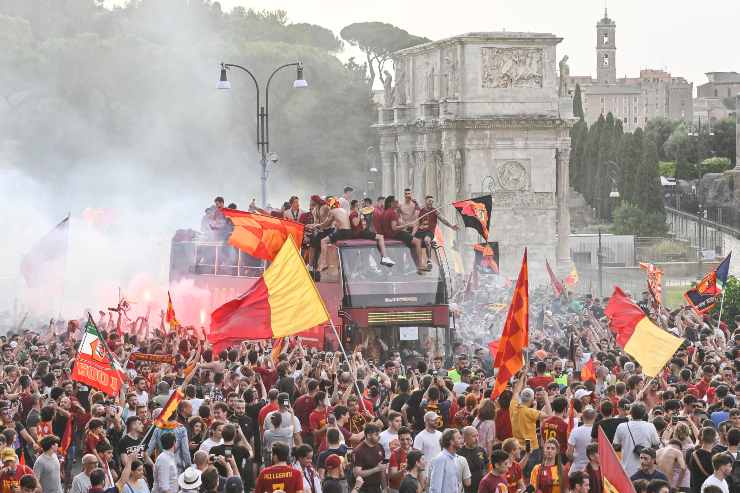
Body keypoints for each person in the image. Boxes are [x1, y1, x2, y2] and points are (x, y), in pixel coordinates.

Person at [612, 403, 660, 477]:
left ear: (630, 413)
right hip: (646, 469)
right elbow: (656, 444)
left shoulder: (622, 426)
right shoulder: (650, 426)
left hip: (627, 469)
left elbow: (615, 445)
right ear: (644, 414)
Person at [414, 195, 458, 270]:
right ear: (425, 201)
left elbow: (443, 219)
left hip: (429, 232)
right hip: (420, 231)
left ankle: (429, 260)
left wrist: (451, 226)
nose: (431, 203)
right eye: (429, 201)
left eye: (432, 201)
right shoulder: (421, 211)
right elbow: (416, 222)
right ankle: (416, 262)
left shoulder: (435, 211)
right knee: (413, 241)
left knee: (426, 240)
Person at [428, 429, 466, 493]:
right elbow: (435, 487)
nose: (462, 441)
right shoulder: (440, 459)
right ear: (451, 441)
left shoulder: (455, 458)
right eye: (459, 438)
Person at [352, 423, 385, 493]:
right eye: (376, 435)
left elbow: (382, 469)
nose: (379, 437)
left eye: (379, 434)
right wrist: (376, 469)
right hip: (364, 489)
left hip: (377, 488)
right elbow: (356, 473)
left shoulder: (380, 447)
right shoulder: (359, 451)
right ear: (368, 435)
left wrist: (384, 488)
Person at [457, 426, 488, 493]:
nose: (476, 439)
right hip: (468, 488)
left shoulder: (481, 450)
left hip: (482, 486)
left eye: (477, 436)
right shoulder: (459, 453)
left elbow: (486, 465)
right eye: (473, 436)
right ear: (465, 438)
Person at [566, 407, 595, 472]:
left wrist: (576, 459)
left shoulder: (575, 431)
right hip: (594, 468)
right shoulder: (599, 431)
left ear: (583, 417)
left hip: (577, 467)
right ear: (594, 418)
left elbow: (569, 453)